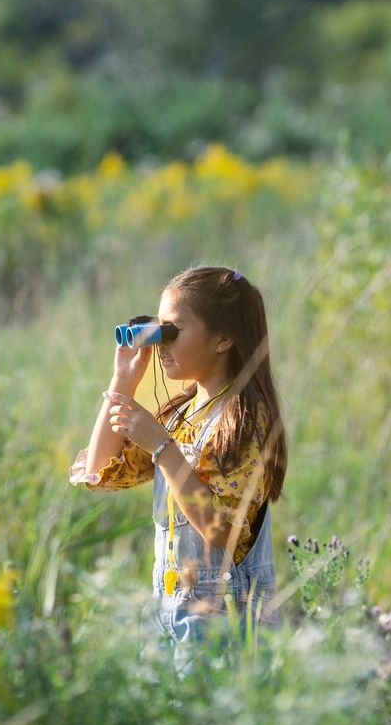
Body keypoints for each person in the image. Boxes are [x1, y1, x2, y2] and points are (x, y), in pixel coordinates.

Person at [70, 266, 287, 649]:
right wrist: (123, 379)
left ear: (221, 339)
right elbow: (98, 474)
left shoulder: (245, 421)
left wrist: (162, 447)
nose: (162, 343)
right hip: (168, 609)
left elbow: (221, 530)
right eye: (159, 329)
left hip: (224, 619)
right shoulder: (179, 415)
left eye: (173, 331)